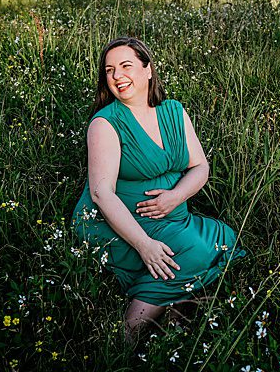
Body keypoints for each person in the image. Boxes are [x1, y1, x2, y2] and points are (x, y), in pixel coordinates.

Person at [70, 37, 246, 344]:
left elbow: (200, 167)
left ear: (148, 69)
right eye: (109, 70)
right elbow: (101, 194)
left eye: (126, 66)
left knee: (223, 238)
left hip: (174, 217)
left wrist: (176, 197)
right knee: (193, 251)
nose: (117, 76)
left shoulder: (174, 111)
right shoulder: (105, 123)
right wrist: (143, 244)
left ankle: (177, 308)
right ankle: (128, 333)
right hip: (121, 221)